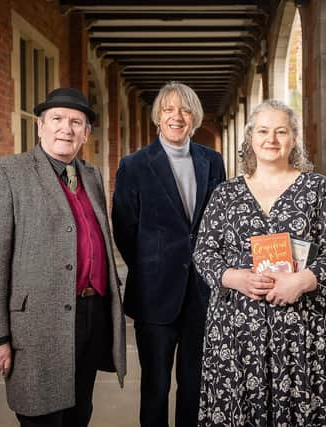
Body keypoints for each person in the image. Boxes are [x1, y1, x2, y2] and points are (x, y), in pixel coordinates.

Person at [0, 87, 126, 427]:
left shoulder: (91, 175)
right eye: (57, 119)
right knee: (42, 417)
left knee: (79, 413)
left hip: (90, 315)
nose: (65, 129)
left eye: (76, 122)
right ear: (40, 127)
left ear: (85, 133)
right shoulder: (7, 173)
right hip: (36, 325)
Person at [193, 99, 326, 426]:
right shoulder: (226, 194)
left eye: (281, 131)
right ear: (250, 138)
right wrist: (233, 277)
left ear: (294, 138)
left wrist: (303, 280)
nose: (272, 139)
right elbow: (204, 251)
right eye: (263, 131)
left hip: (305, 333)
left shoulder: (318, 189)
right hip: (237, 335)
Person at [112, 81, 225, 426]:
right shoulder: (134, 165)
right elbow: (124, 229)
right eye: (169, 110)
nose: (177, 116)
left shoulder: (213, 161)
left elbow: (219, 222)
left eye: (185, 110)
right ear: (157, 118)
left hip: (202, 294)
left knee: (195, 385)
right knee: (155, 386)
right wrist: (153, 267)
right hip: (154, 295)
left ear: (195, 118)